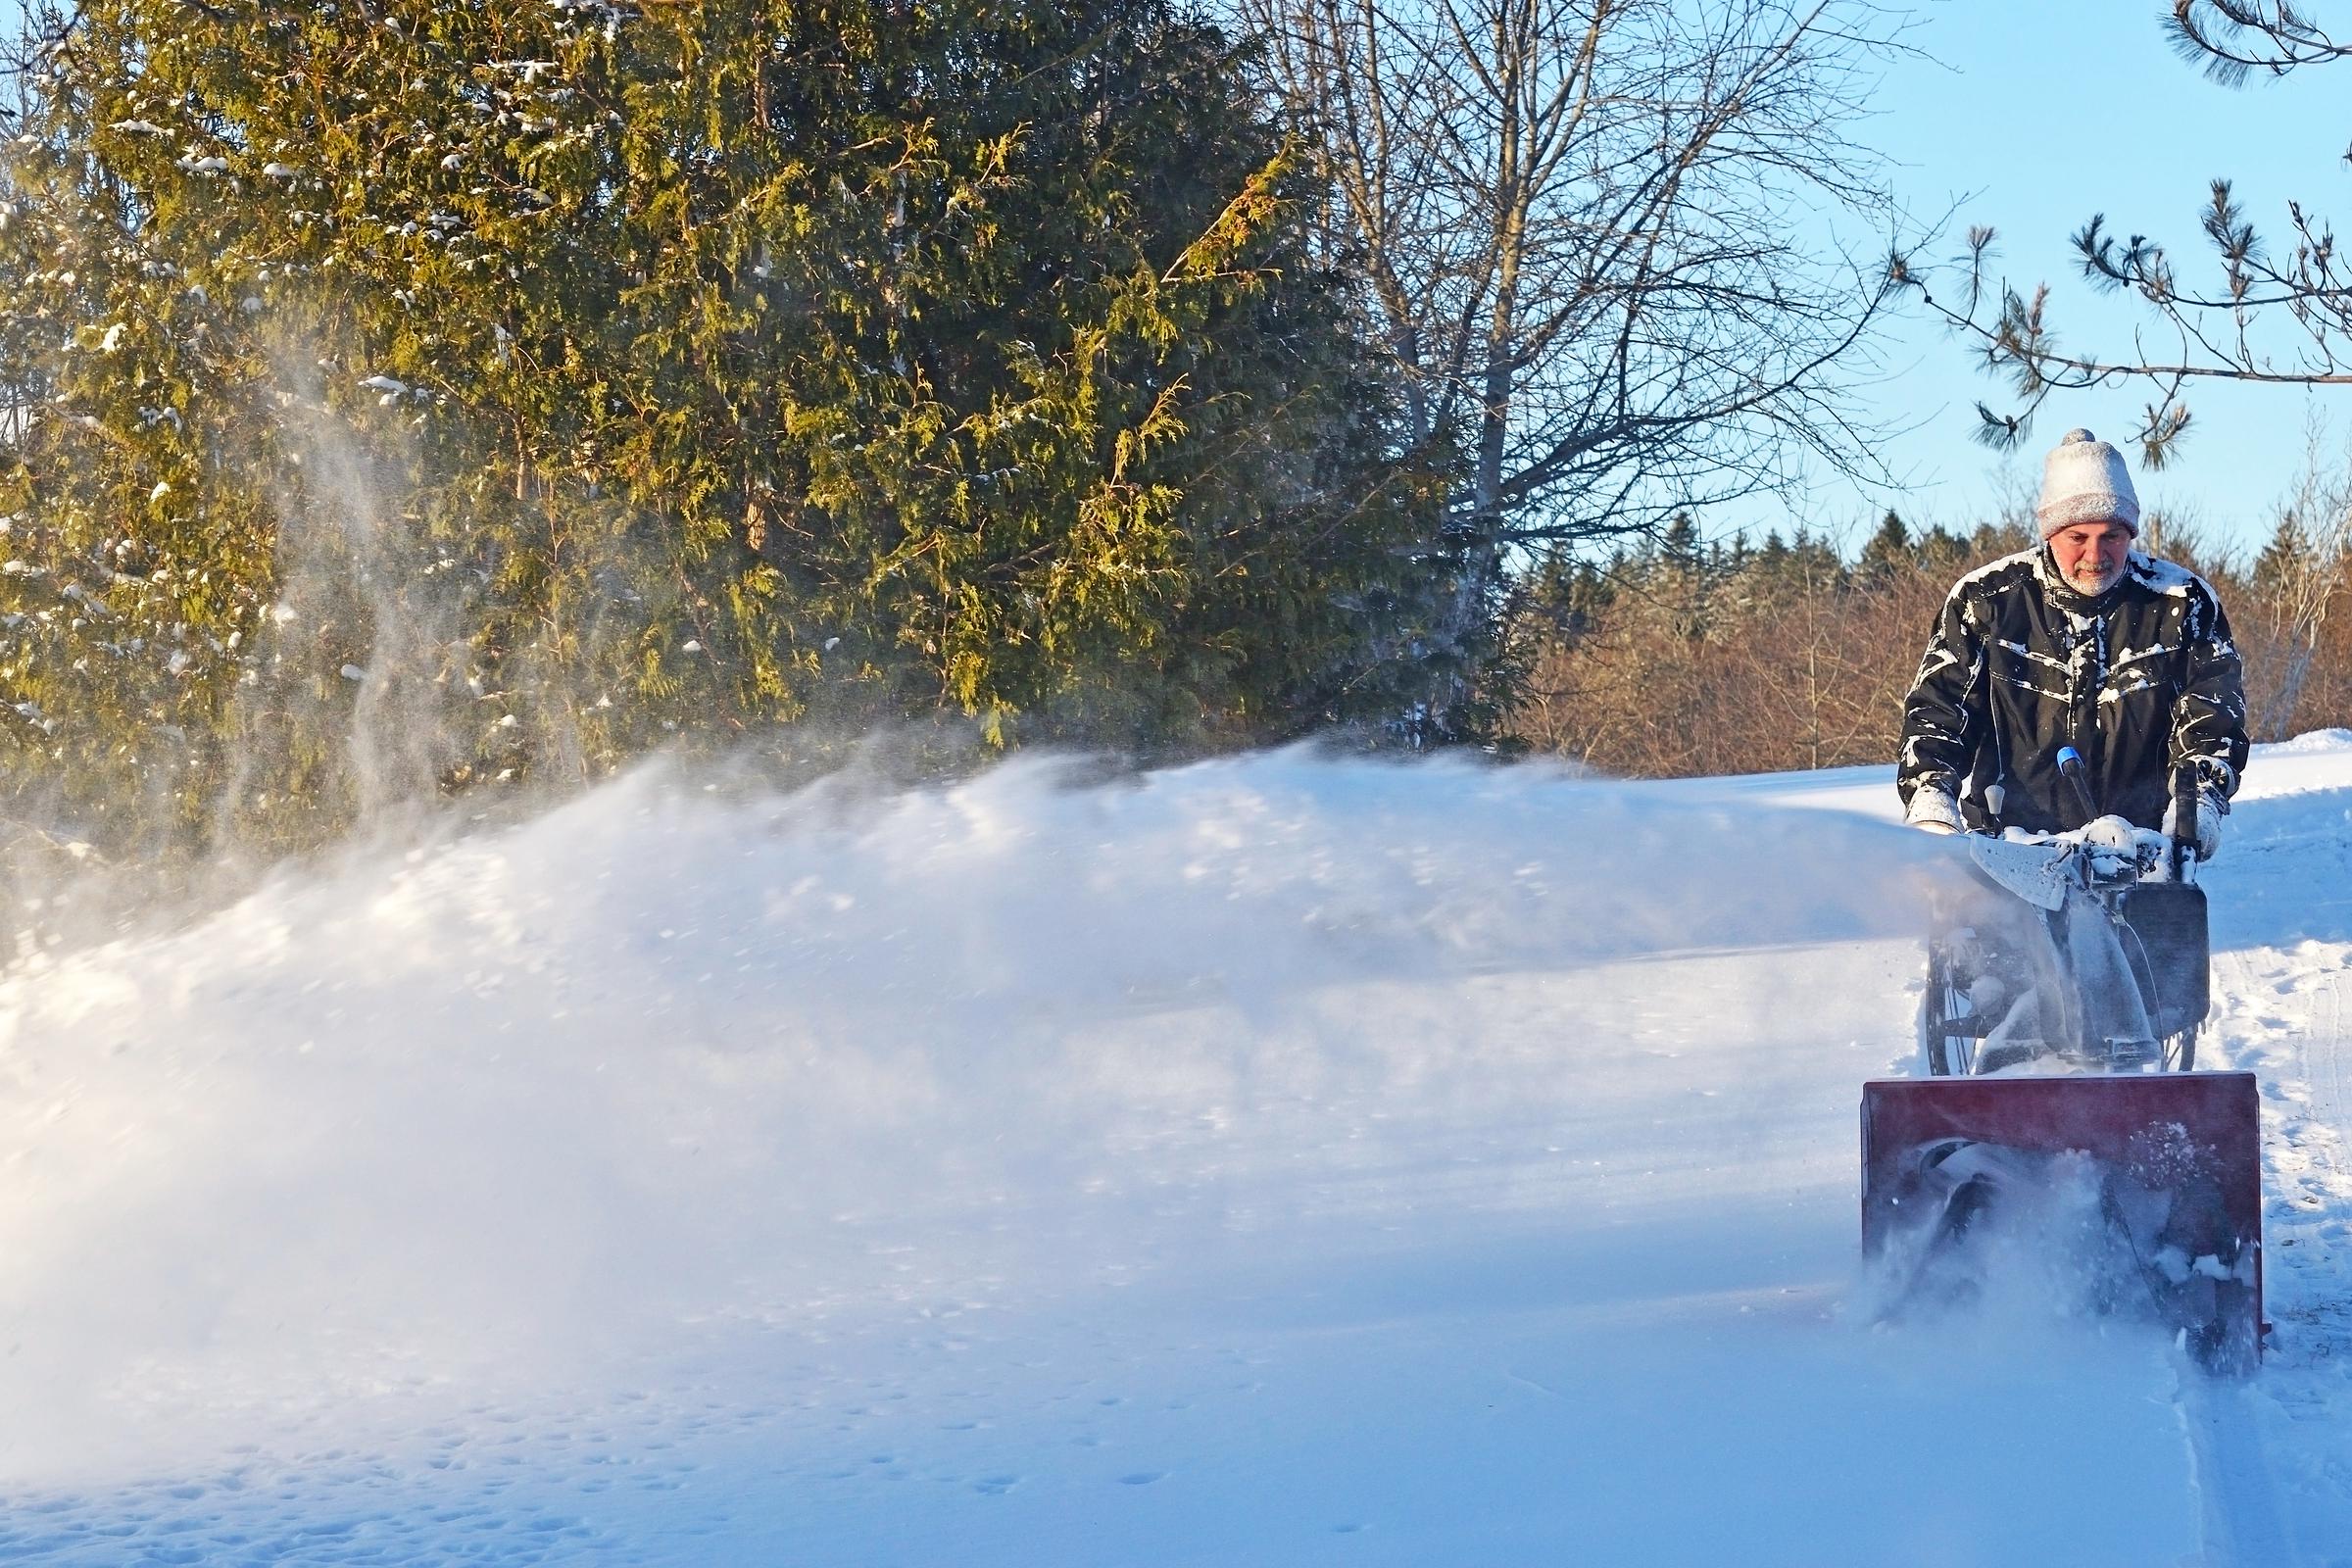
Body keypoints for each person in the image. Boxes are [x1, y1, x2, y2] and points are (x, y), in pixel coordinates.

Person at [1896, 428, 2248, 853]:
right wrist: (1932, 799)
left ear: (2130, 534)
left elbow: (2213, 718)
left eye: (2111, 537)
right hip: (2010, 847)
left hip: (2141, 848)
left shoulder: (2181, 603)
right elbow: (1940, 712)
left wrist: (2198, 802)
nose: (2095, 555)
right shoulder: (1986, 602)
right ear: (2050, 533)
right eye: (2077, 538)